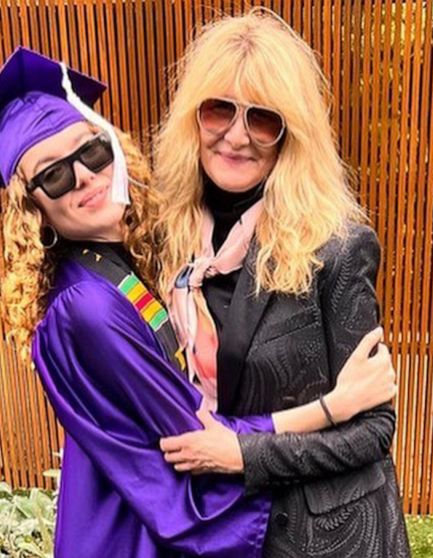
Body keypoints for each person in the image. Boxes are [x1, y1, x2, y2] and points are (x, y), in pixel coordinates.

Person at [0, 47, 397, 558]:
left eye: (91, 152)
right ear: (34, 210)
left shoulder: (132, 263)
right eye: (54, 175)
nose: (85, 177)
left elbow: (374, 432)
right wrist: (332, 407)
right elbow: (193, 440)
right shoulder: (85, 307)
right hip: (130, 534)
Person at [154, 9, 411, 557]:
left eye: (263, 119)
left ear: (290, 135)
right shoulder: (173, 240)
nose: (236, 136)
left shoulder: (336, 247)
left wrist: (244, 454)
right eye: (219, 109)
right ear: (193, 119)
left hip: (326, 537)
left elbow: (372, 431)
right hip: (221, 524)